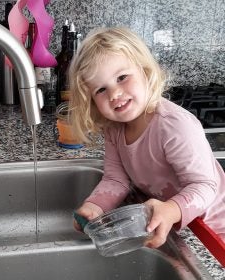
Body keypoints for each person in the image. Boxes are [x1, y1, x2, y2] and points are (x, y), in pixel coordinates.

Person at [69, 26, 225, 248]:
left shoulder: (173, 126)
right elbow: (116, 179)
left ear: (145, 71)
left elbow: (204, 186)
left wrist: (172, 209)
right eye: (101, 90)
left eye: (122, 77)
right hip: (173, 223)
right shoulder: (114, 128)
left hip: (213, 234)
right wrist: (95, 206)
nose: (114, 94)